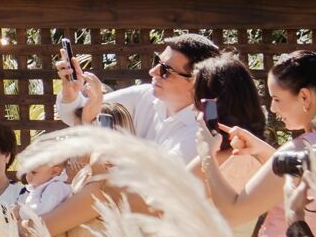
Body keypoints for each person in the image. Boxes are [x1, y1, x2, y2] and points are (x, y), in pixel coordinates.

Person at [198, 50, 316, 237]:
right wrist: (264, 151)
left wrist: (208, 156)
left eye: (277, 99)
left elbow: (233, 213)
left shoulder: (300, 147)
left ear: (304, 97)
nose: (273, 109)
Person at [54, 32, 220, 162]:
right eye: (157, 62)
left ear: (196, 81)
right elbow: (74, 115)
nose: (153, 71)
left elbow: (154, 183)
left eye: (165, 70)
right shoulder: (145, 95)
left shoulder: (201, 132)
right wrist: (71, 93)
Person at [185, 54, 270, 236]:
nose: (193, 106)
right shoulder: (258, 153)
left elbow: (164, 203)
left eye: (197, 98)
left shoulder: (230, 159)